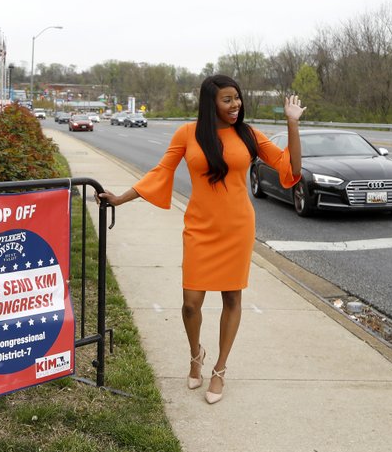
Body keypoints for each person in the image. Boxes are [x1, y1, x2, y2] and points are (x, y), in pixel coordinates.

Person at [97, 74, 306, 404]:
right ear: (211, 103)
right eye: (227, 99)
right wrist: (121, 198)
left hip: (237, 227)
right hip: (200, 227)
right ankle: (196, 353)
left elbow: (290, 167)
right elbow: (161, 171)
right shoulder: (188, 134)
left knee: (231, 299)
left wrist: (292, 124)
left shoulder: (249, 134)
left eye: (237, 98)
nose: (235, 104)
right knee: (190, 303)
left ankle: (219, 369)